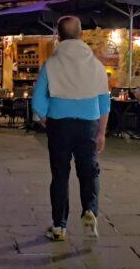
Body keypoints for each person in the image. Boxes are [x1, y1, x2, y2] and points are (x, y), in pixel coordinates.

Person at [32, 16, 110, 241]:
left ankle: (59, 226)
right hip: (88, 125)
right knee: (89, 170)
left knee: (60, 175)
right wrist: (102, 132)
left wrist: (49, 120)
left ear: (58, 36)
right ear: (81, 34)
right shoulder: (97, 66)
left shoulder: (51, 64)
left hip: (59, 125)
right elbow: (104, 103)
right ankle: (89, 209)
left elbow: (37, 103)